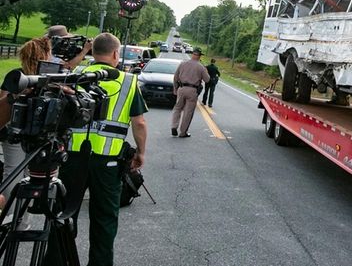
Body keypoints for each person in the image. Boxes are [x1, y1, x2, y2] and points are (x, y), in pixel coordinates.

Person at [46, 32, 148, 266]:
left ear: (93, 52)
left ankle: (55, 261)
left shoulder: (75, 74)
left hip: (72, 158)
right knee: (104, 220)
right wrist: (141, 153)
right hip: (108, 162)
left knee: (63, 214)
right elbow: (139, 122)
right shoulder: (128, 81)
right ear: (115, 53)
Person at [0, 38, 53, 220]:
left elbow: (4, 103)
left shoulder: (17, 76)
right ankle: (21, 220)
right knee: (31, 177)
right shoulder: (49, 79)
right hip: (36, 134)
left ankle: (9, 217)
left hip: (13, 133)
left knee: (12, 173)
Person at [171, 47, 209, 137]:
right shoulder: (201, 67)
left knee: (177, 108)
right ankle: (183, 132)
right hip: (192, 90)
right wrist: (205, 72)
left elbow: (175, 77)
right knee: (188, 112)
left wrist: (175, 89)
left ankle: (174, 126)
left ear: (192, 54)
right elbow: (207, 80)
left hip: (181, 88)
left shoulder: (182, 64)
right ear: (199, 56)